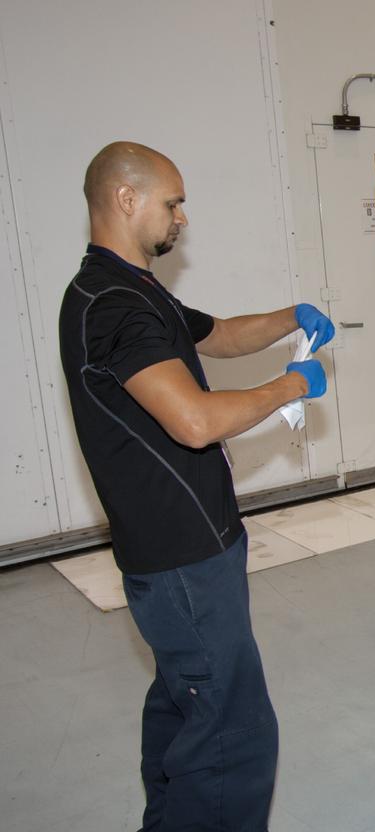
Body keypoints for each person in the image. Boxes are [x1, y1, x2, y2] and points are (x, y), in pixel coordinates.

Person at [58, 141, 335, 831]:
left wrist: (291, 317)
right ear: (126, 199)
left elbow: (217, 335)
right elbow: (194, 422)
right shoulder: (113, 307)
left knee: (186, 701)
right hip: (182, 557)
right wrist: (291, 384)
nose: (182, 218)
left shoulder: (129, 289)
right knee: (230, 736)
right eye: (172, 202)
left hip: (183, 550)